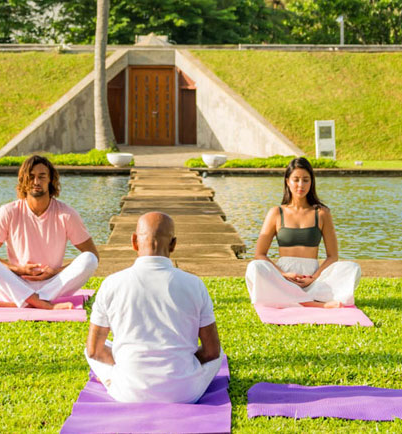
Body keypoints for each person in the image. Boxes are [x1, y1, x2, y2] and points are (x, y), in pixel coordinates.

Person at [85, 212, 222, 403]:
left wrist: (131, 367)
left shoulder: (111, 283)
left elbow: (94, 351)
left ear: (134, 241)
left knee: (93, 348)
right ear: (173, 244)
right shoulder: (195, 284)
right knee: (220, 353)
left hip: (129, 392)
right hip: (184, 393)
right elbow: (212, 352)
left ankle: (118, 375)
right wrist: (179, 367)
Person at [0, 154, 99, 310]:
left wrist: (55, 272)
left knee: (90, 259)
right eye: (31, 177)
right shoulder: (8, 212)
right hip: (17, 282)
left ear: (50, 180)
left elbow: (93, 254)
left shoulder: (66, 214)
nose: (36, 182)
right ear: (23, 180)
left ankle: (27, 301)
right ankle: (41, 303)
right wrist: (18, 269)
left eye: (42, 176)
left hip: (54, 284)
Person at [245, 156, 361, 308]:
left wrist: (313, 277)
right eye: (296, 179)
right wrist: (284, 274)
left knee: (352, 268)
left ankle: (293, 300)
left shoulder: (322, 213)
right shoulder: (276, 213)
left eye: (306, 180)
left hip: (313, 279)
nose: (301, 185)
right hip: (283, 279)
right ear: (287, 181)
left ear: (311, 182)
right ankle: (314, 303)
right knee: (255, 267)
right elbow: (260, 254)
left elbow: (332, 256)